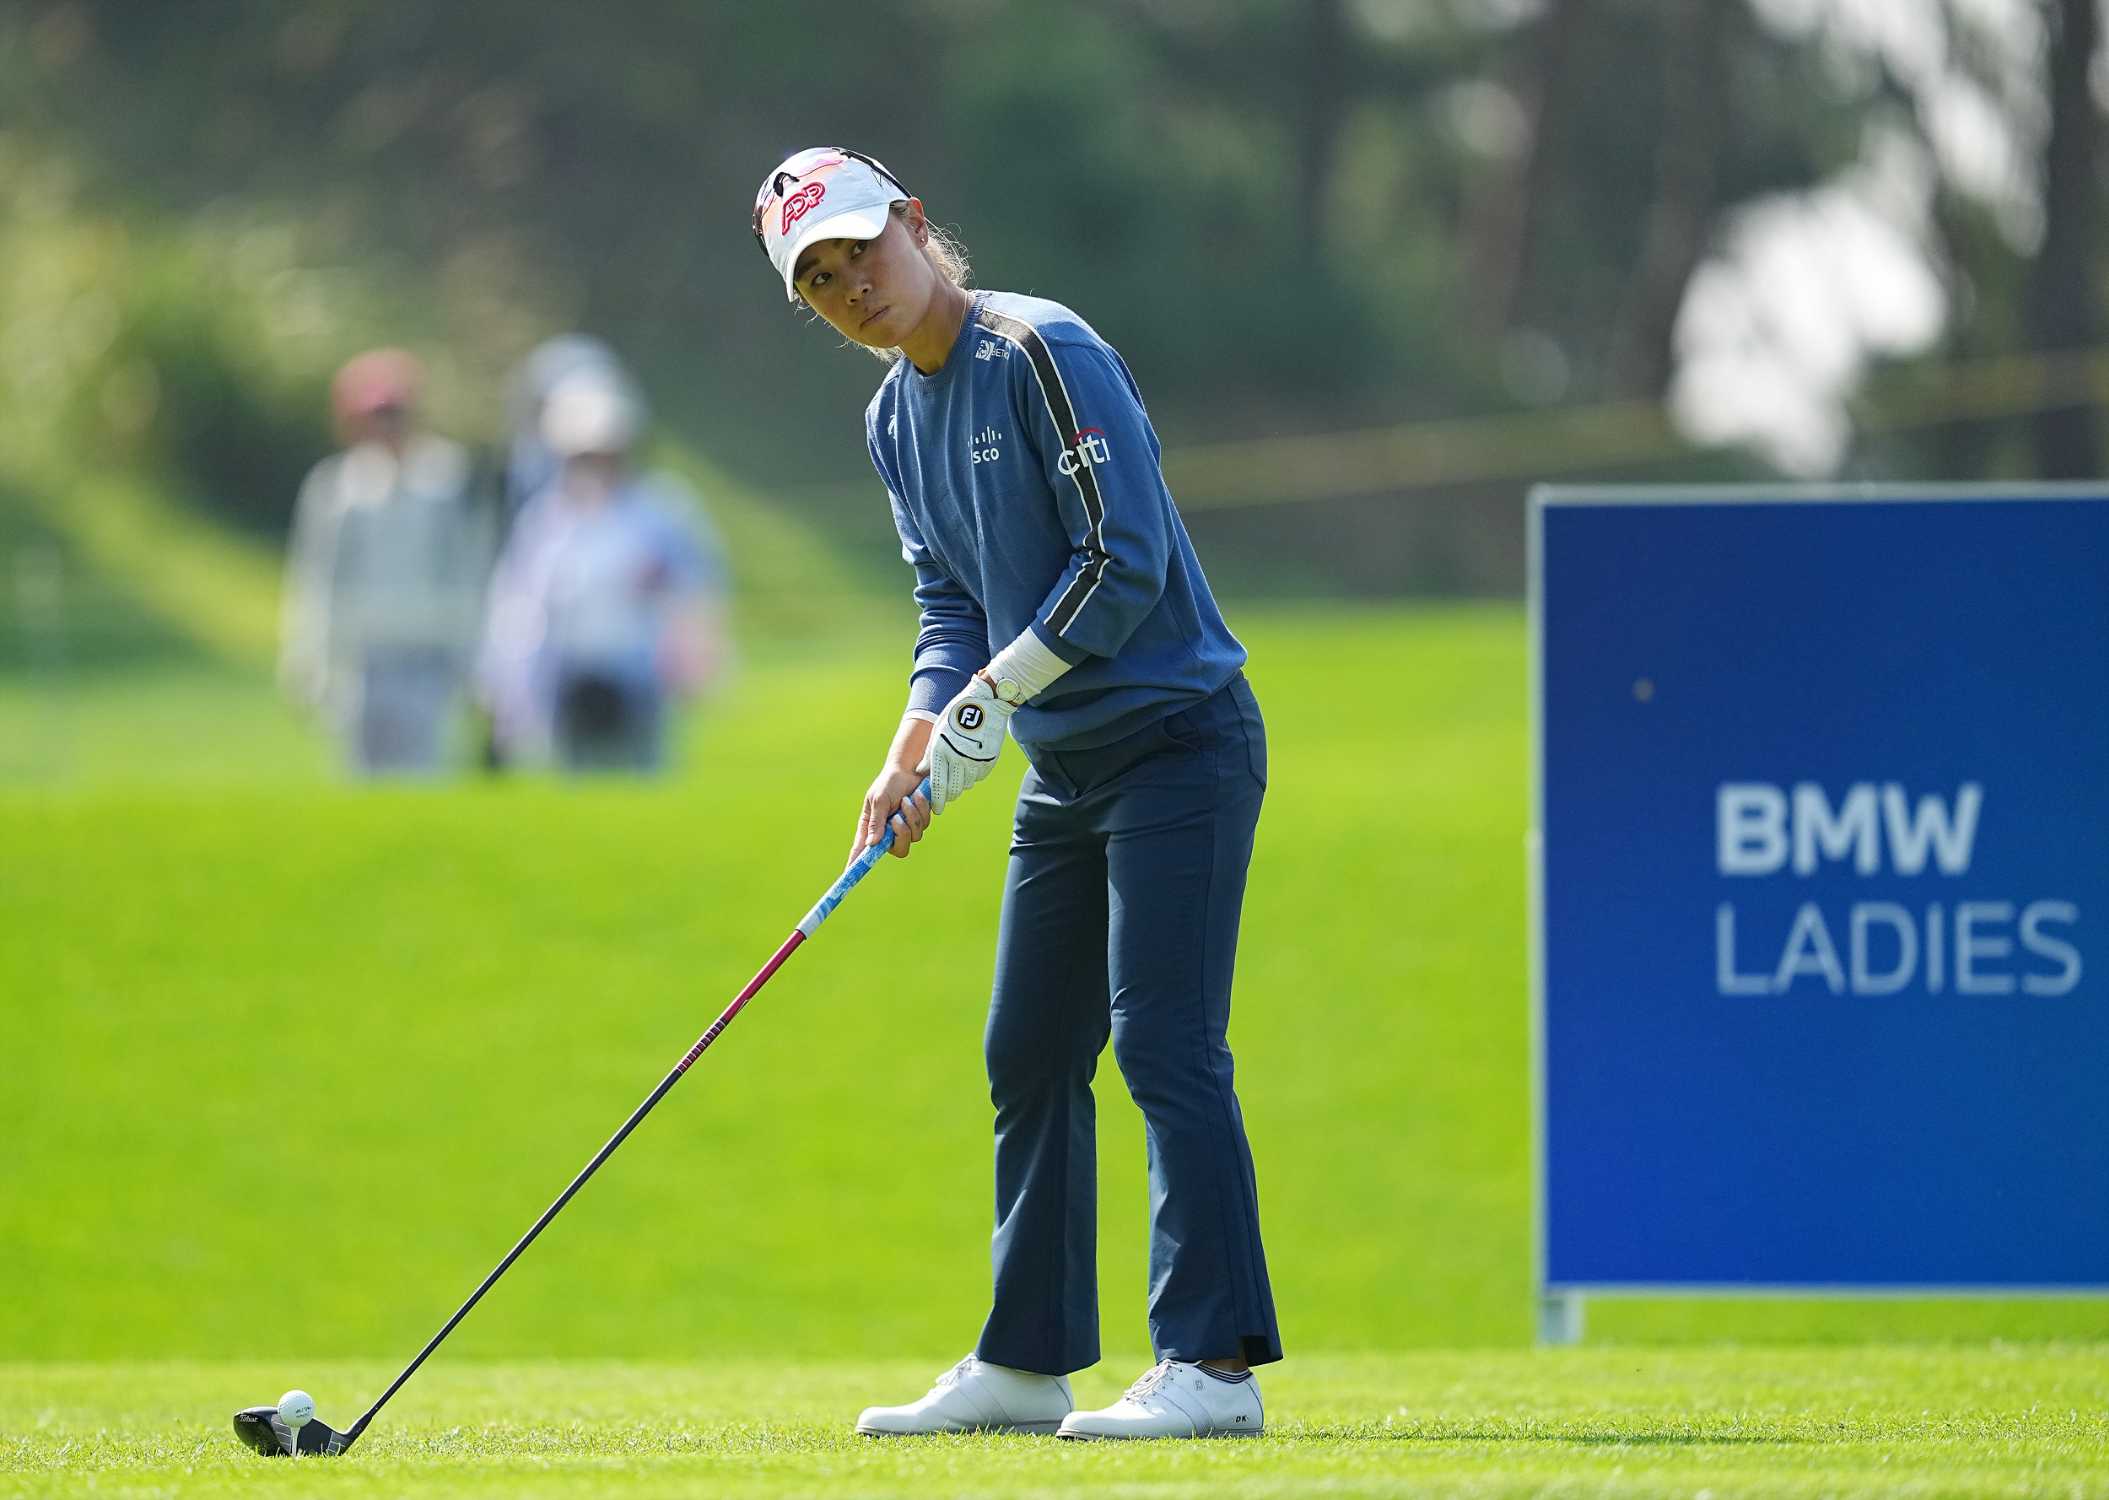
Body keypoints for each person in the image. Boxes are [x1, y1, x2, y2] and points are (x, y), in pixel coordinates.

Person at [752, 147, 1279, 1440]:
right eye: (819, 281)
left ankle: (1211, 1371)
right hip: (1065, 768)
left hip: (1179, 742)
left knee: (1162, 1044)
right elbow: (948, 603)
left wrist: (993, 696)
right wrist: (914, 741)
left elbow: (1125, 559)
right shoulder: (891, 419)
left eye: (861, 253)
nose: (852, 288)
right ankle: (1027, 1357)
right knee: (1029, 1050)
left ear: (917, 227)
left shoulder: (1039, 351)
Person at [477, 366, 728, 773]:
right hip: (569, 678)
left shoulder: (660, 511)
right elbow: (519, 606)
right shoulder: (547, 520)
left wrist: (694, 660)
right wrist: (506, 687)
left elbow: (696, 590)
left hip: (640, 678)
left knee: (640, 781)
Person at [279, 349, 489, 776]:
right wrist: (308, 661)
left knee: (423, 779)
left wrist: (476, 660)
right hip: (364, 659)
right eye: (377, 416)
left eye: (395, 414)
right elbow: (318, 579)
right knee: (363, 779)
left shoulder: (446, 480)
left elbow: (469, 570)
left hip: (426, 656)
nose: (387, 427)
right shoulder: (335, 488)